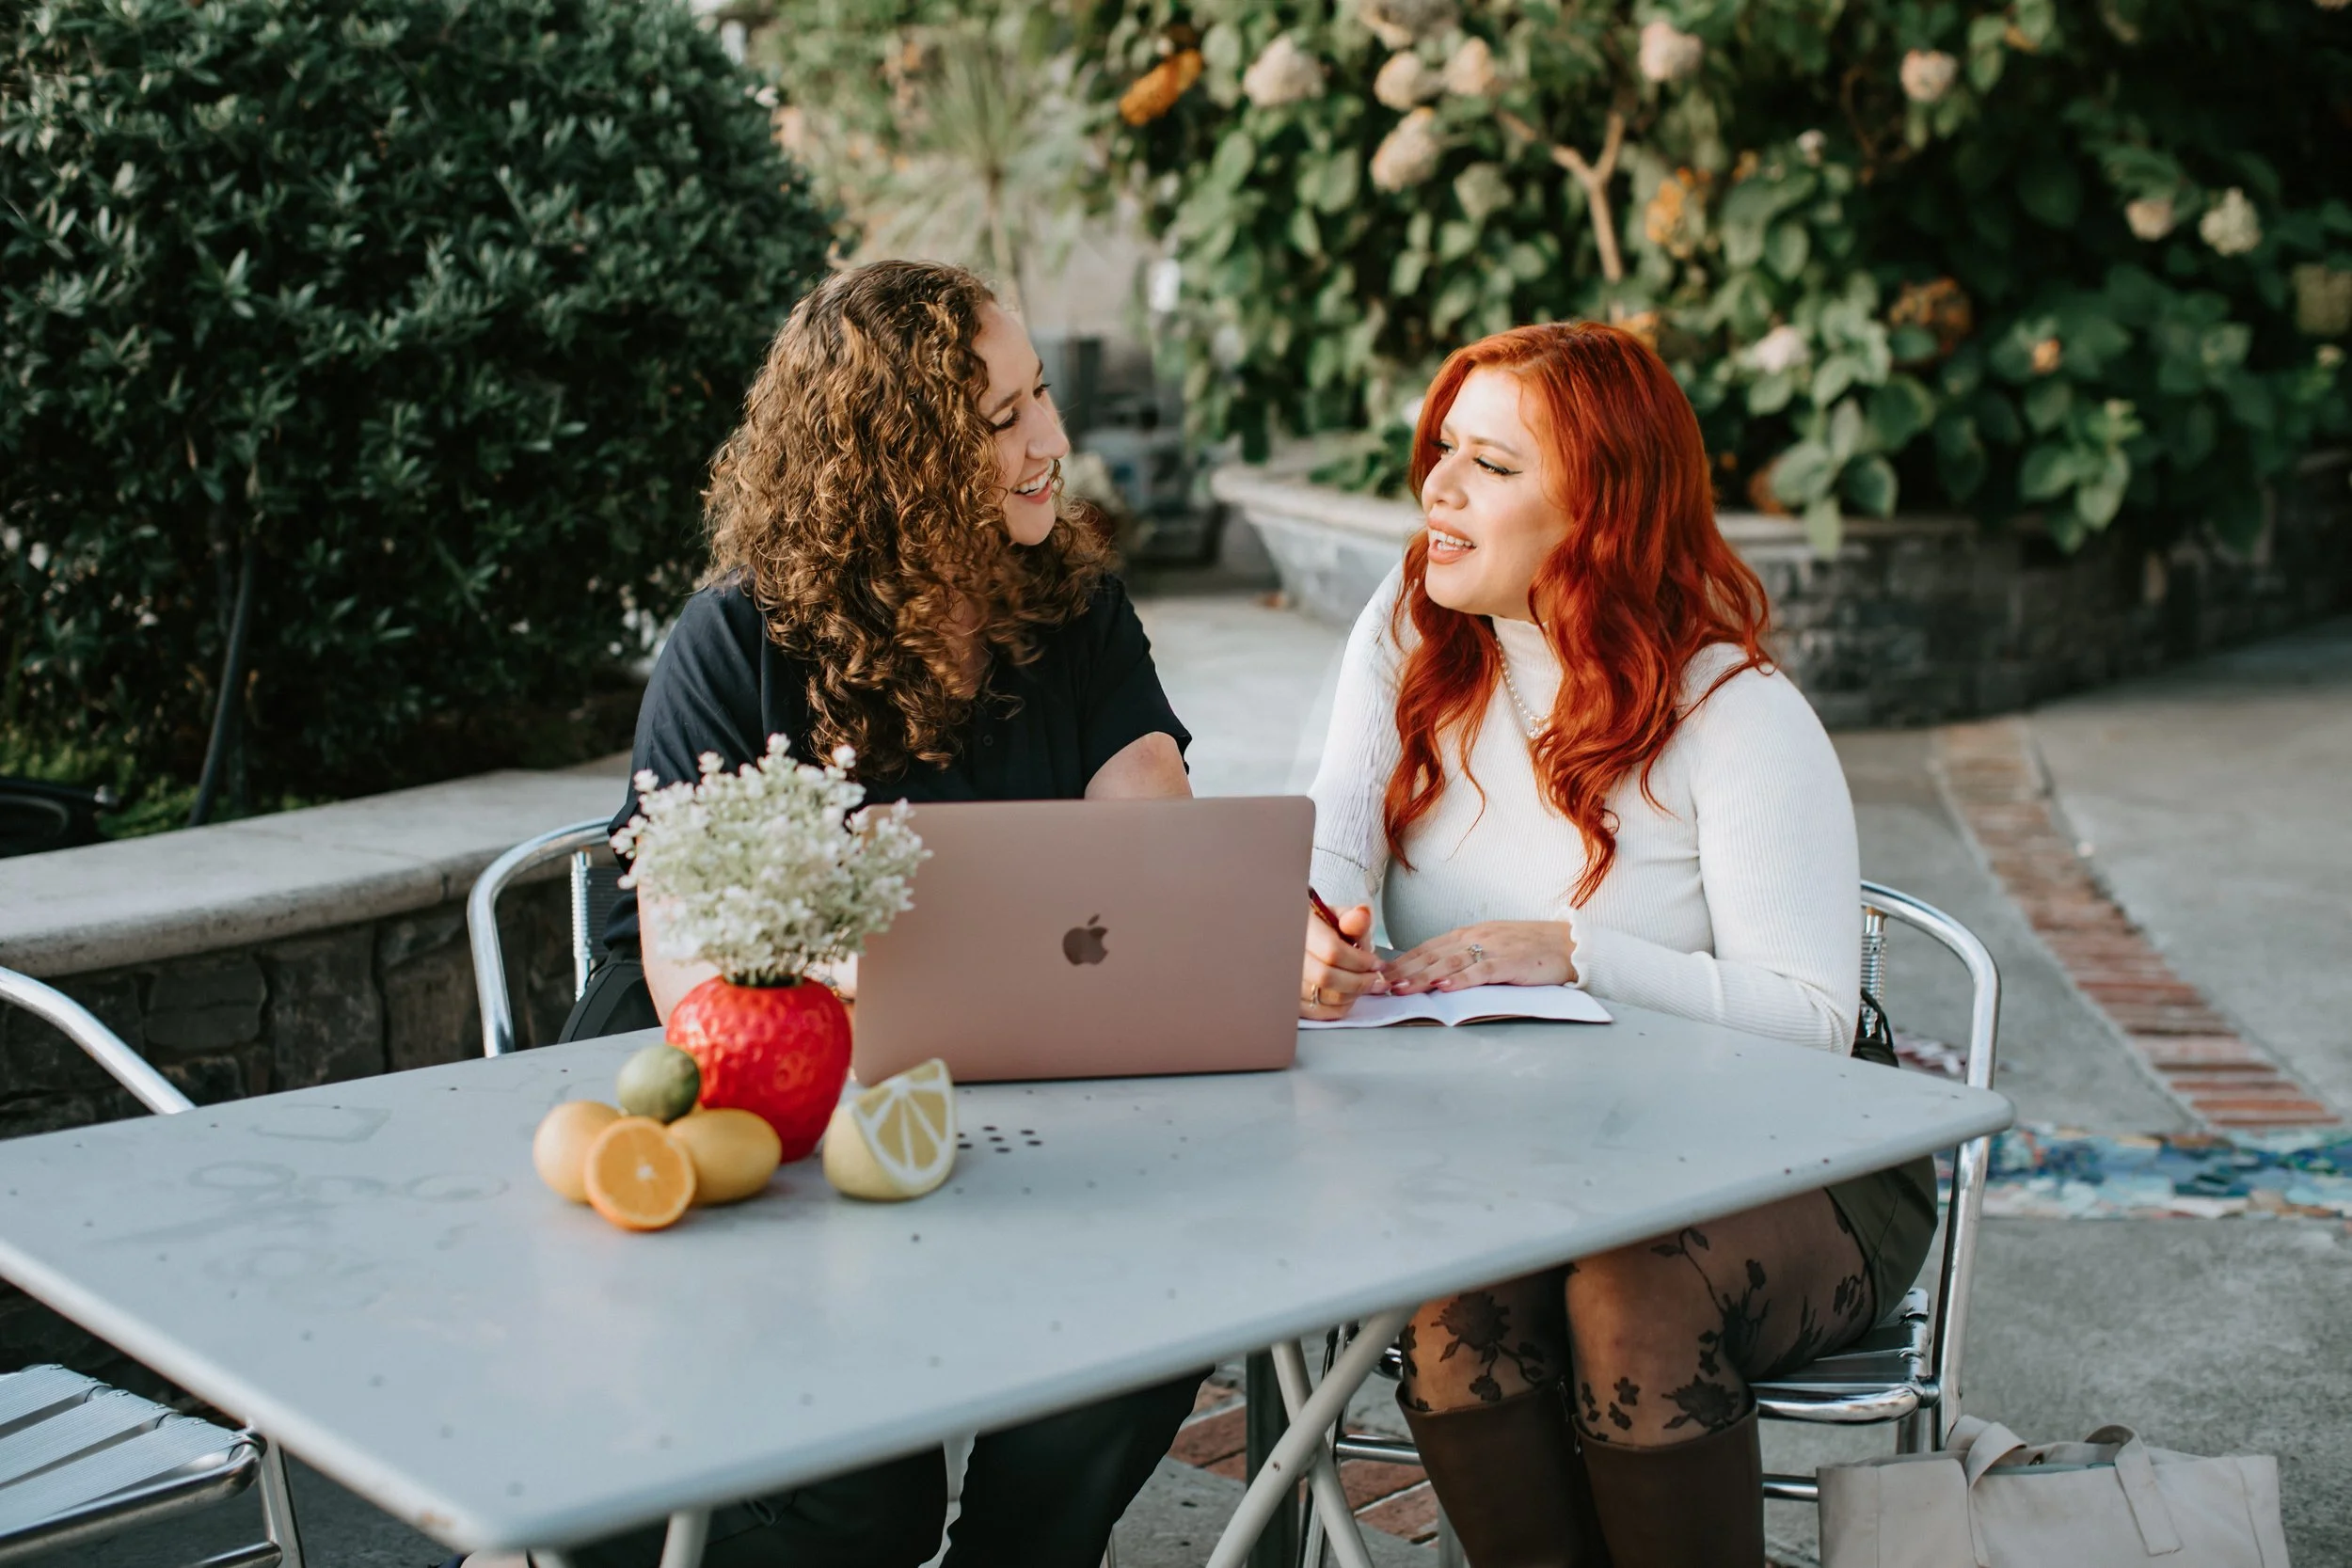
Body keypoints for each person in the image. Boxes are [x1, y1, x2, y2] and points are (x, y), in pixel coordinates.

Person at [562, 260, 1199, 1568]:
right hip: (762, 1113)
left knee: (1157, 1323)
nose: (1050, 444)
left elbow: (1162, 860)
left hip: (1009, 1095)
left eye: (1040, 400)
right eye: (998, 420)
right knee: (857, 1501)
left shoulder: (1073, 612)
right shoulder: (733, 641)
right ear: (890, 460)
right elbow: (694, 971)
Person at [1298, 322, 1934, 1568]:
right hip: (1518, 1153)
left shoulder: (1735, 711)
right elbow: (1333, 838)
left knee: (1628, 1291)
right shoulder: (1408, 633)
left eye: (1490, 465)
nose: (1436, 489)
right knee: (1454, 1307)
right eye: (1442, 451)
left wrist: (1572, 951)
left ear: (1597, 508)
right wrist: (1315, 931)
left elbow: (1813, 1017)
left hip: (1789, 1163)